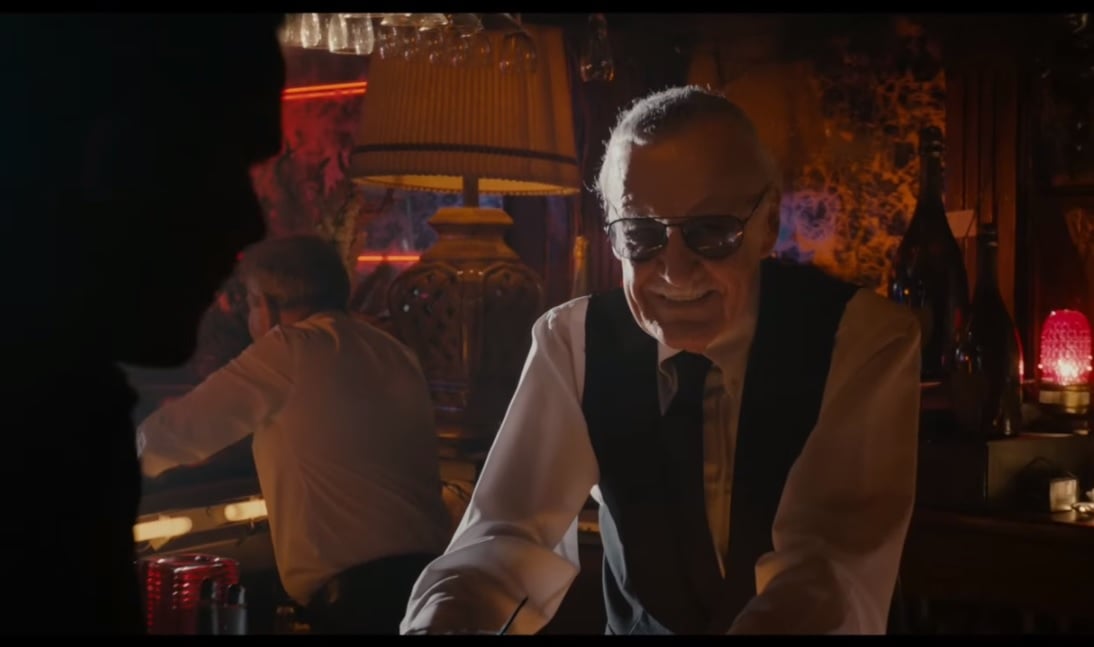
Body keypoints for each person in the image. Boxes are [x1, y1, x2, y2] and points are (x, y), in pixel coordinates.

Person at [401, 86, 921, 635]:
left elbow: (828, 573)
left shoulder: (859, 339)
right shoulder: (573, 341)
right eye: (642, 235)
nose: (675, 270)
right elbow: (506, 535)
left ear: (768, 224)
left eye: (712, 232)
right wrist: (443, 622)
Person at [1, 14, 285, 634]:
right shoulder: (52, 426)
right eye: (226, 163)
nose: (251, 223)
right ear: (114, 158)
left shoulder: (69, 409)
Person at [138, 234, 452, 635]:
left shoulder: (291, 347)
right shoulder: (393, 351)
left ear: (268, 305)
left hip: (359, 601)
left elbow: (176, 434)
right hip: (429, 583)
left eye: (251, 302)